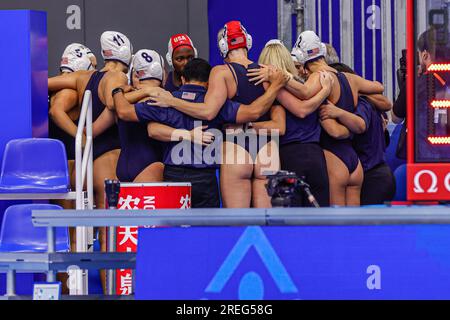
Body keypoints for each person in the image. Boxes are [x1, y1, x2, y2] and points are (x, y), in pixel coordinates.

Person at [146, 21, 288, 208]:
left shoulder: (221, 73)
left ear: (222, 47)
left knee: (238, 225)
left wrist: (172, 101)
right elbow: (283, 123)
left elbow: (208, 111)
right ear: (248, 41)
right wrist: (279, 84)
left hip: (236, 148)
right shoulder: (269, 72)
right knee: (267, 222)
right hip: (267, 150)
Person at [111, 58, 287, 208]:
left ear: (182, 79)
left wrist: (117, 91)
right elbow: (253, 112)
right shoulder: (218, 104)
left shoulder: (165, 100)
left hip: (174, 176)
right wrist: (274, 88)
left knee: (176, 234)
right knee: (206, 235)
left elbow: (123, 111)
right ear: (209, 82)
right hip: (206, 179)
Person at [271, 31, 386, 206]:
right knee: (353, 227)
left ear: (301, 57)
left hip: (334, 158)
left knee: (335, 226)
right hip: (354, 162)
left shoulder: (320, 77)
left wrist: (281, 77)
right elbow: (379, 86)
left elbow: (305, 93)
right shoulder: (349, 78)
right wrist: (352, 123)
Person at [257, 40, 333, 207]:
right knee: (320, 218)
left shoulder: (271, 86)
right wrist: (325, 91)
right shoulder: (302, 83)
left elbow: (300, 111)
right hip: (315, 156)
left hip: (289, 156)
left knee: (291, 220)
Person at [321, 63, 396, 205]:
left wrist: (336, 112)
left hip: (372, 176)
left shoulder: (362, 105)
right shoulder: (369, 103)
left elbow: (357, 126)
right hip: (379, 174)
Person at [91, 49, 166, 183]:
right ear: (161, 73)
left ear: (135, 74)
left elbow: (90, 131)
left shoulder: (118, 101)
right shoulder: (165, 98)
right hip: (150, 165)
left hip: (122, 167)